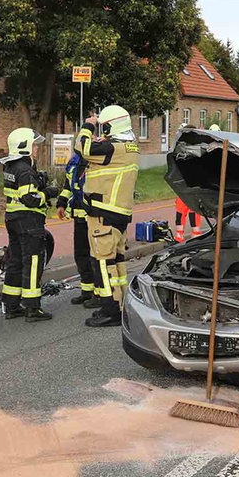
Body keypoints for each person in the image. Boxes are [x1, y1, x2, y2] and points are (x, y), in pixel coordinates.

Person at [78, 105, 141, 327]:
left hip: (104, 213)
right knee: (117, 261)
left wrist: (88, 125)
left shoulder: (112, 148)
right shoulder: (128, 147)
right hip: (118, 212)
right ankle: (120, 304)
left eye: (105, 127)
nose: (103, 132)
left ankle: (110, 309)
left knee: (103, 262)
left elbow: (82, 148)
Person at [1, 127, 59, 322]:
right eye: (34, 145)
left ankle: (11, 306)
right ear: (24, 146)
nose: (36, 148)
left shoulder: (10, 166)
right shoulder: (25, 169)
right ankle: (32, 308)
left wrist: (38, 181)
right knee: (33, 263)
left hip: (13, 220)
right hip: (29, 222)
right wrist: (48, 193)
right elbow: (29, 198)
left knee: (15, 262)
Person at [57, 122, 98, 307]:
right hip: (79, 217)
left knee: (96, 255)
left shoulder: (96, 161)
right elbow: (68, 186)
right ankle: (86, 290)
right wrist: (61, 202)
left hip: (94, 217)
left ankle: (99, 292)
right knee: (80, 254)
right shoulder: (73, 163)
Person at [172, 123, 202, 243]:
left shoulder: (184, 147)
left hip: (187, 184)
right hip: (189, 184)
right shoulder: (193, 146)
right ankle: (190, 235)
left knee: (188, 211)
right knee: (188, 210)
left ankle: (186, 235)